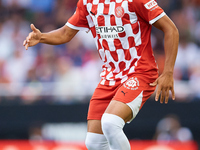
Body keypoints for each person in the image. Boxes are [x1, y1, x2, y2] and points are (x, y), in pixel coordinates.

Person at [23, 0, 179, 149]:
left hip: (139, 73)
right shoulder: (87, 3)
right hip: (109, 77)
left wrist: (168, 72)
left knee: (110, 123)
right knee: (93, 142)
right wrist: (41, 37)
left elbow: (171, 29)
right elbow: (65, 33)